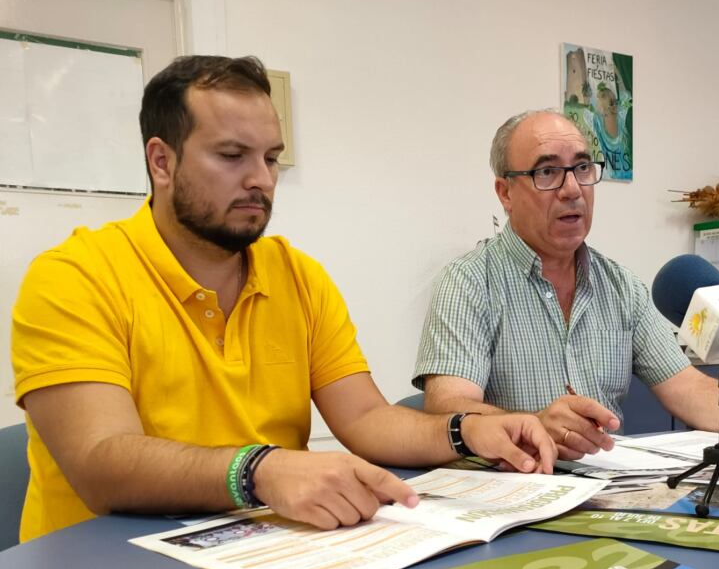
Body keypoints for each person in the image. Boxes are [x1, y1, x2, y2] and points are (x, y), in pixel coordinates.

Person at [10, 56, 554, 542]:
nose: (261, 180)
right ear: (162, 162)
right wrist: (262, 470)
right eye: (232, 155)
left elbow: (366, 418)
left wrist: (467, 431)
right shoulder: (74, 277)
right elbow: (101, 462)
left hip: (256, 550)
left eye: (270, 158)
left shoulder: (298, 276)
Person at [413, 109, 719, 459]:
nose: (571, 189)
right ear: (505, 193)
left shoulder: (621, 286)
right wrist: (531, 427)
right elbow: (449, 407)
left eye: (582, 168)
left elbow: (689, 390)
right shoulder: (469, 282)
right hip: (515, 491)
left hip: (608, 495)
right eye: (547, 173)